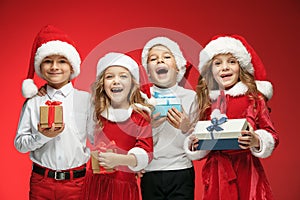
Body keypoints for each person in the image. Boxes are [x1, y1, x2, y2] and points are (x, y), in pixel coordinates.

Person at [184, 34, 279, 200]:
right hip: (216, 174)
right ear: (210, 70)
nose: (225, 67)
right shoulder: (206, 101)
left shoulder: (254, 99)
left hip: (246, 170)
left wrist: (257, 140)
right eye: (218, 63)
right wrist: (194, 143)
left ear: (241, 67)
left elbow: (271, 134)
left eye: (232, 61)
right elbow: (200, 136)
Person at [14, 25, 93, 200]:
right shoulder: (34, 102)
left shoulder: (86, 100)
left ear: (72, 67)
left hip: (77, 183)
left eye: (62, 61)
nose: (54, 67)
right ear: (40, 67)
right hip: (41, 182)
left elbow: (99, 138)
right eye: (48, 61)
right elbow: (20, 144)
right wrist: (41, 136)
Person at [81, 52, 153, 200]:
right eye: (109, 76)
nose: (116, 81)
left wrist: (119, 160)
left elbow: (145, 153)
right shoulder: (97, 112)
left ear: (133, 83)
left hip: (122, 186)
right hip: (95, 182)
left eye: (123, 76)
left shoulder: (139, 116)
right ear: (102, 84)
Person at [140, 36, 196, 200]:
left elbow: (199, 142)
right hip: (151, 172)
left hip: (182, 170)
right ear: (148, 71)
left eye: (166, 56)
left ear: (178, 67)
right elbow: (133, 139)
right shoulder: (142, 99)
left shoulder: (191, 97)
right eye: (153, 59)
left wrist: (186, 128)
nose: (160, 61)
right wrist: (151, 127)